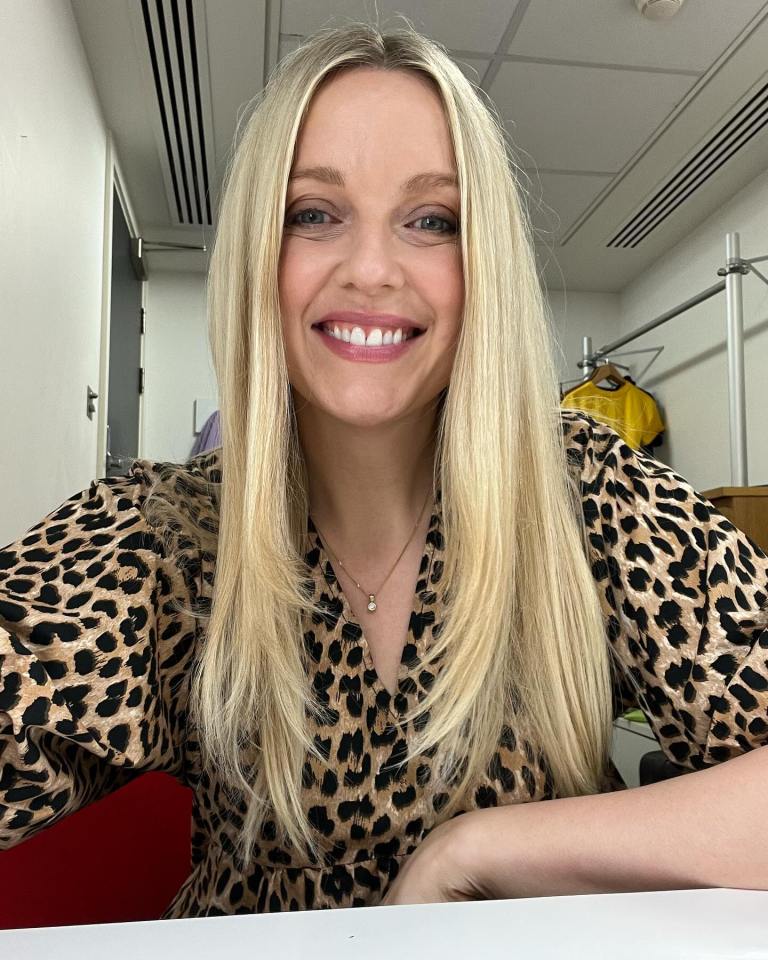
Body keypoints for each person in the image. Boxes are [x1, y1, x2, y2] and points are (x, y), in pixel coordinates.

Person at [1, 21, 767, 918]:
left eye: (431, 221)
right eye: (314, 215)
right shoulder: (159, 533)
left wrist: (475, 850)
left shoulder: (584, 490)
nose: (371, 269)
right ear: (259, 257)